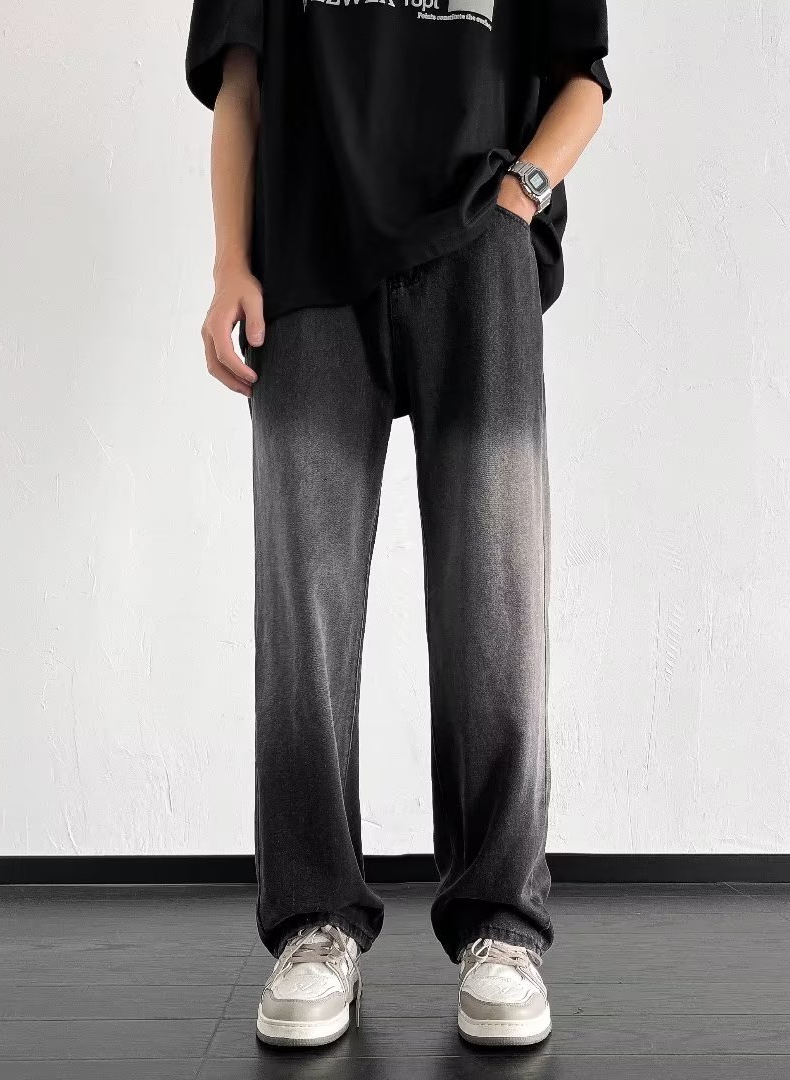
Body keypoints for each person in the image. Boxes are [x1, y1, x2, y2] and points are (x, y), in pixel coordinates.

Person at [185, 0, 610, 1049]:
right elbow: (242, 84)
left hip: (480, 250)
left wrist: (519, 200)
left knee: (496, 597)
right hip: (307, 258)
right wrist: (229, 260)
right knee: (305, 613)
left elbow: (584, 79)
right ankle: (314, 920)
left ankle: (500, 922)